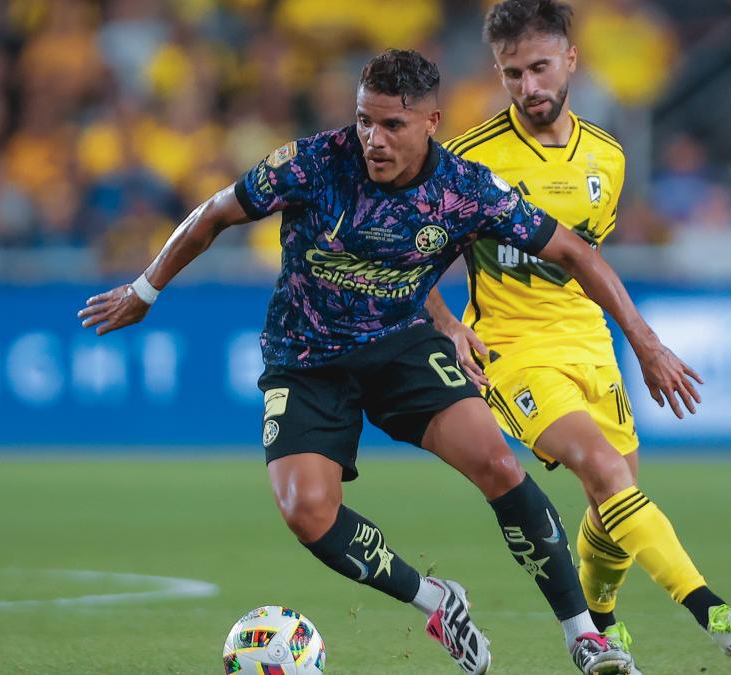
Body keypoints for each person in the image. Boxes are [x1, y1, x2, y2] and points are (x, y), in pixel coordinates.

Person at [78, 49, 695, 674]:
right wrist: (144, 290)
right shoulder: (314, 162)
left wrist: (644, 343)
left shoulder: (464, 188)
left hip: (400, 345)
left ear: (431, 121)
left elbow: (575, 252)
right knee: (305, 513)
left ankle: (585, 637)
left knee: (498, 462)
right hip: (306, 357)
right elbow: (214, 213)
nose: (373, 138)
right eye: (364, 120)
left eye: (391, 125)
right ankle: (436, 601)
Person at [426, 0, 731, 661]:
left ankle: (604, 621)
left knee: (615, 500)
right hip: (513, 349)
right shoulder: (470, 162)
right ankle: (715, 612)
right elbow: (416, 263)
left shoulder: (607, 160)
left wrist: (637, 343)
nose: (528, 87)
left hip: (588, 343)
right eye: (511, 74)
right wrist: (447, 324)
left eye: (538, 68)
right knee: (605, 469)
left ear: (570, 61)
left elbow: (586, 259)